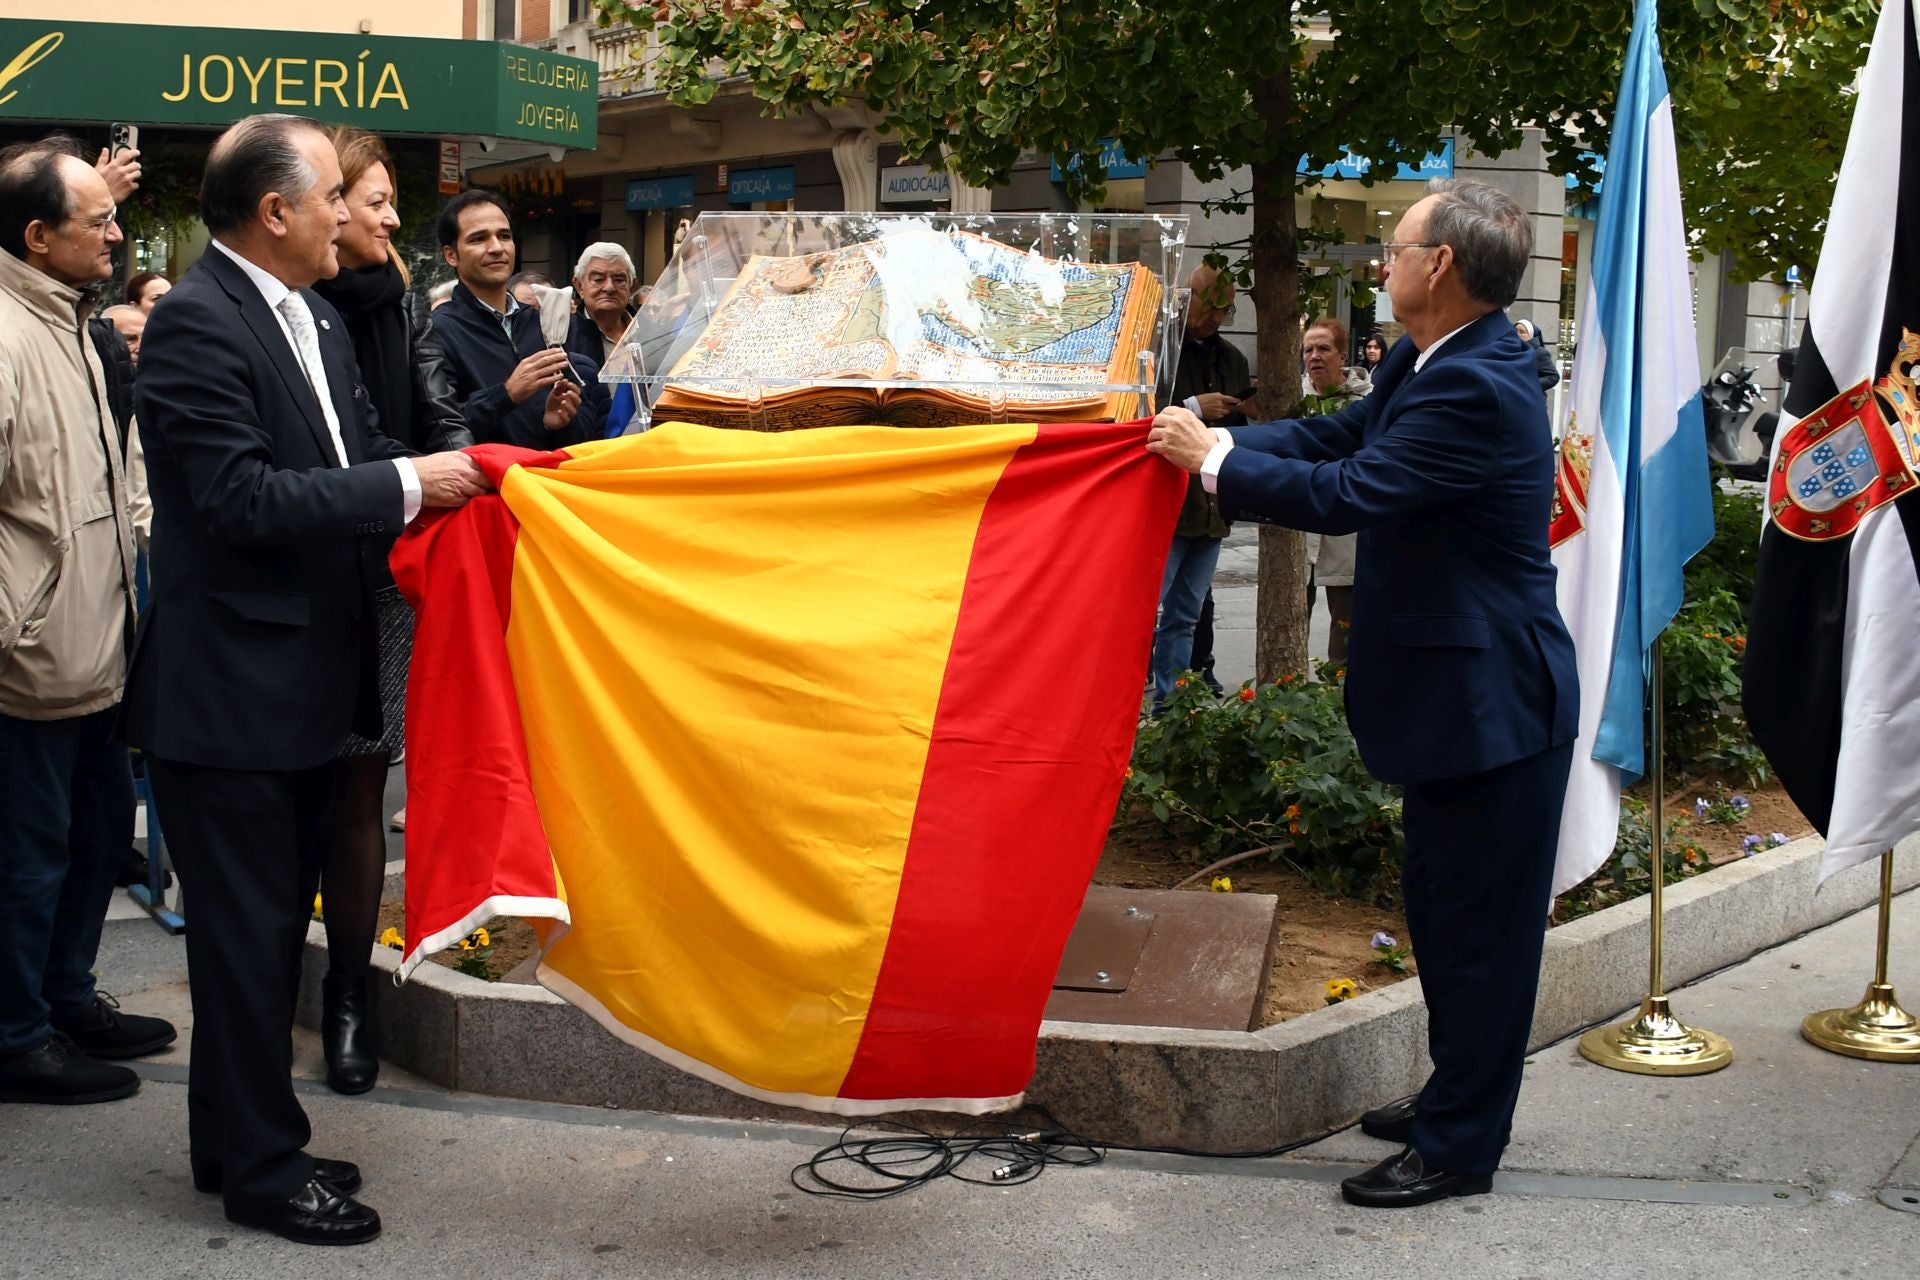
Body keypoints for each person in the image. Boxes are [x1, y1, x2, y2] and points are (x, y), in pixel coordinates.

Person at [1147, 179, 1577, 1209]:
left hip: (1494, 704)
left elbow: (1354, 492)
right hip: (1458, 700)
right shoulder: (1444, 361)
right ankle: (1454, 1092)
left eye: (1395, 249)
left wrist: (1213, 463)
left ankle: (1462, 1143)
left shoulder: (1476, 382)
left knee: (1484, 933)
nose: (1382, 265)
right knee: (1444, 914)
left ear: (1441, 266)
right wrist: (1227, 443)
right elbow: (1339, 439)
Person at [123, 113, 490, 1245]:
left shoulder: (318, 317)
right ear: (275, 211)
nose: (351, 210)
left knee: (271, 936)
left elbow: (368, 444)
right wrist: (406, 486)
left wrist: (452, 475)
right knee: (245, 942)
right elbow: (241, 500)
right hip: (229, 699)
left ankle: (234, 1139)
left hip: (301, 691)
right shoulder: (195, 322)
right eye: (335, 193)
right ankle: (265, 1174)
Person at [0, 135, 178, 1108]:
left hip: (94, 643)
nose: (116, 230)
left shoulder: (69, 319)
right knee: (31, 853)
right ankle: (17, 1032)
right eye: (96, 218)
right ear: (38, 236)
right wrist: (17, 623)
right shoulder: (9, 329)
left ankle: (64, 998)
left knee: (93, 833)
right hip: (33, 657)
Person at [309, 125, 472, 1098]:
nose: (391, 218)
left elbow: (437, 408)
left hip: (384, 579)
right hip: (302, 584)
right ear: (325, 203)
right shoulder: (281, 309)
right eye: (375, 202)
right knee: (298, 794)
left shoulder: (401, 304)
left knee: (363, 795)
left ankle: (348, 998)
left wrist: (474, 470)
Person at [432, 190, 603, 449]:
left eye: (504, 236)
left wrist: (559, 424)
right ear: (451, 255)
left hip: (547, 481)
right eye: (478, 239)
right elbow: (438, 431)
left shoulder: (541, 322)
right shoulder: (437, 330)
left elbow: (586, 426)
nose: (497, 248)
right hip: (490, 484)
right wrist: (506, 394)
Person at [1151, 264, 1247, 704]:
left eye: (1225, 310)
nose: (1216, 318)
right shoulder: (1159, 346)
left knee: (1186, 616)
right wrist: (1192, 406)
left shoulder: (1231, 359)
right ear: (1186, 299)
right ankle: (1129, 697)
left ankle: (1171, 702)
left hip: (1210, 507)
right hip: (1166, 506)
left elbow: (1242, 427)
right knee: (1148, 613)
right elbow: (1137, 411)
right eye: (1210, 308)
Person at [1298, 317, 1372, 663]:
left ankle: (1339, 705)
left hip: (1346, 534)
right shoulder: (1292, 398)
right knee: (1290, 632)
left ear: (1342, 355)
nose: (1315, 356)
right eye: (1308, 349)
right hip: (1297, 531)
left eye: (1324, 348)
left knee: (1347, 636)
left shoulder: (1367, 403)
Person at [569, 241, 637, 367]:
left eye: (619, 279)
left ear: (631, 286)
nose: (609, 288)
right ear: (579, 286)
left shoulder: (653, 335)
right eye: (598, 280)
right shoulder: (564, 338)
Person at [1514, 318, 1561, 394]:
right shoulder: (1509, 350)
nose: (1517, 334)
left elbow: (1553, 377)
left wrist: (1529, 385)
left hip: (1531, 398)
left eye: (1522, 332)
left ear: (1531, 335)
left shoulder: (1539, 352)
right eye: (1515, 331)